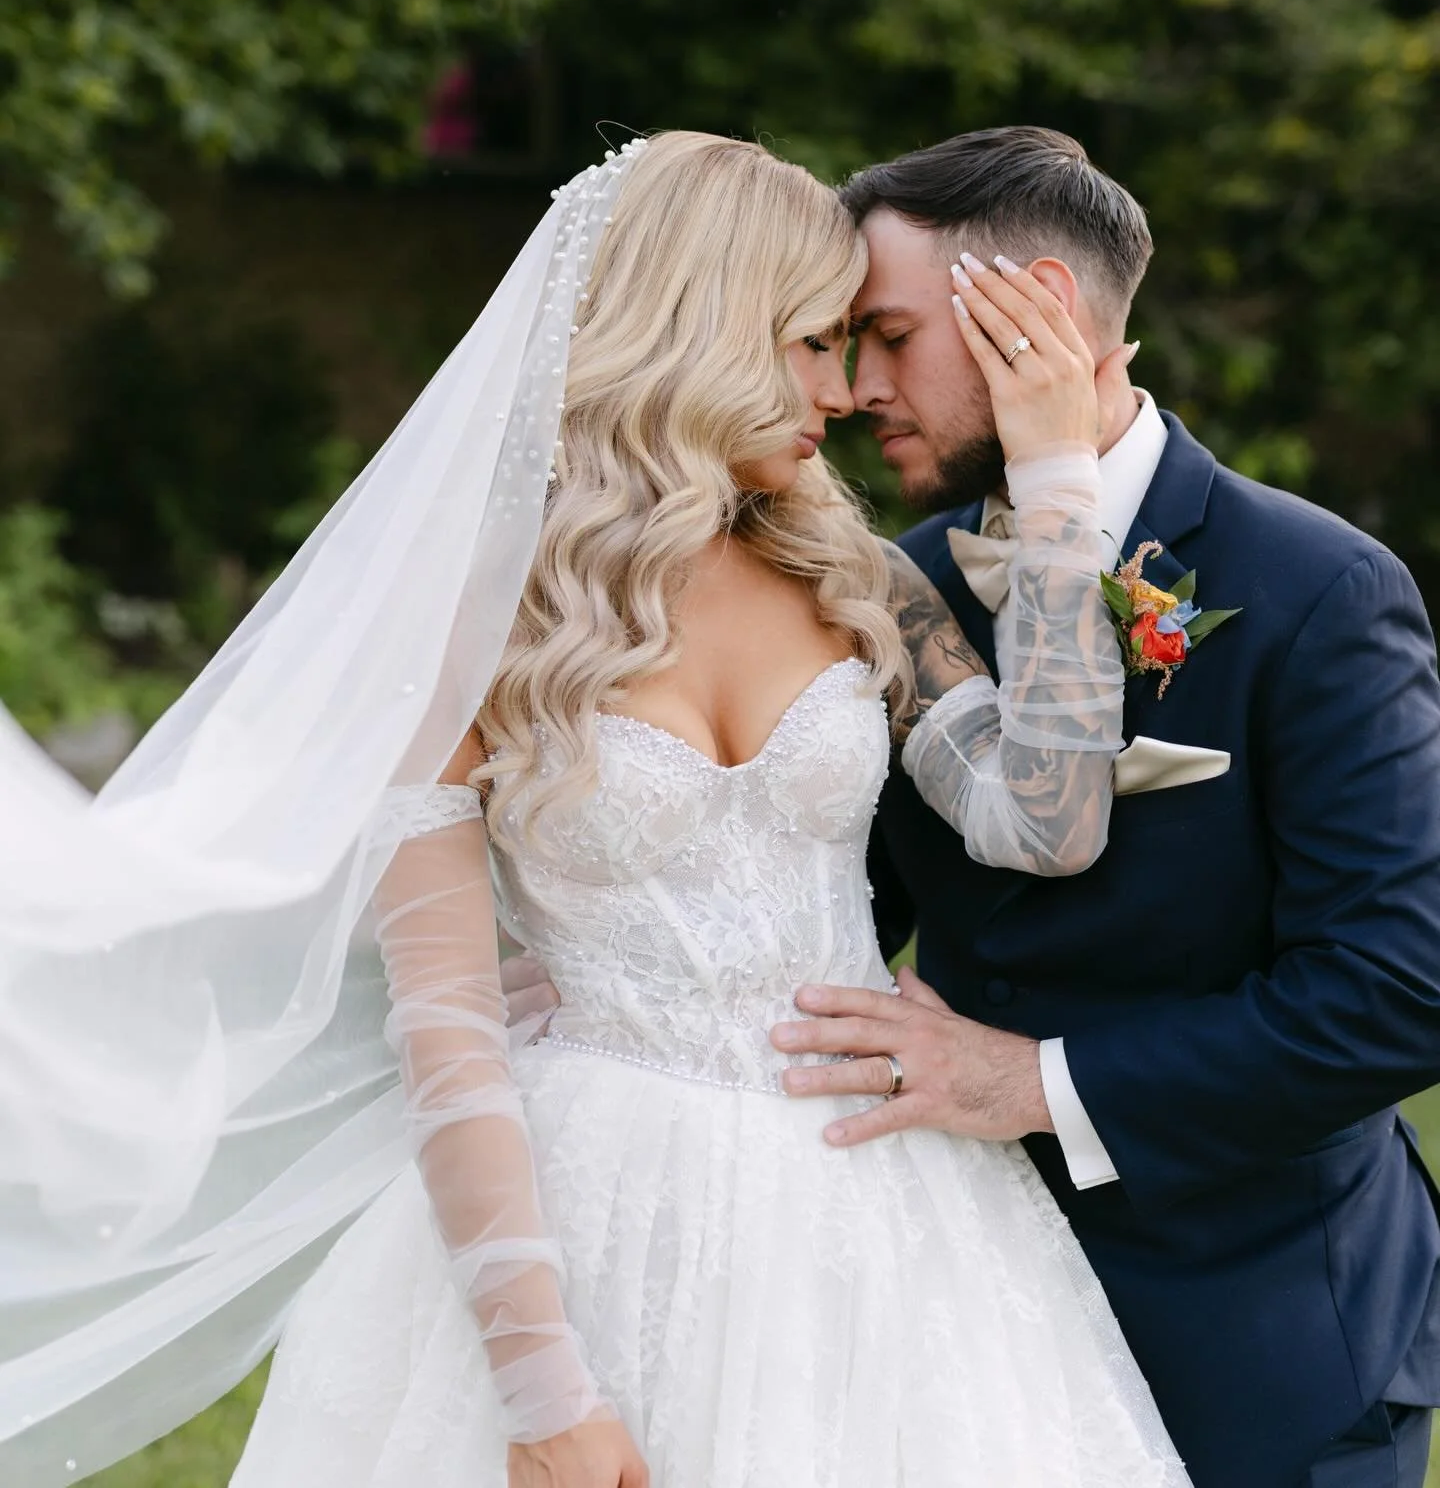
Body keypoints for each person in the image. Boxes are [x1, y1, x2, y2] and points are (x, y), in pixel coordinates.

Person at [0, 132, 1185, 1488]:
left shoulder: (857, 580)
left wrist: (1054, 487)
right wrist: (542, 1388)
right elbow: (450, 1037)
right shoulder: (477, 624)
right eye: (811, 343)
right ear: (702, 332)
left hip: (884, 1209)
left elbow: (1047, 822)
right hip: (591, 1200)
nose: (843, 390)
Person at [768, 126, 1440, 1488]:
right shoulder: (898, 589)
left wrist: (1029, 1081)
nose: (857, 387)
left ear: (1042, 320)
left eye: (890, 335)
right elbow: (828, 912)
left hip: (1262, 1338)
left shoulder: (1318, 588)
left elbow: (1398, 991)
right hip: (963, 1322)